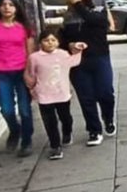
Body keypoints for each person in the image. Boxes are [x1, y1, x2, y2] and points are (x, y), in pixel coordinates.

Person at [62, 0, 117, 145]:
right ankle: (94, 130)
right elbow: (62, 39)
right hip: (78, 61)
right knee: (86, 97)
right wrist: (70, 44)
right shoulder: (68, 17)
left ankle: (108, 118)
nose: (69, 2)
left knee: (105, 92)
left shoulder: (98, 12)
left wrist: (78, 3)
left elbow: (94, 21)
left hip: (100, 58)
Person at [0, 0, 36, 156]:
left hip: (21, 71)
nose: (7, 7)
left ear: (16, 8)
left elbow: (30, 51)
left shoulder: (24, 27)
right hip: (1, 72)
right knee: (6, 109)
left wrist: (30, 72)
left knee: (25, 109)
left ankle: (27, 141)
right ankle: (15, 130)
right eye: (3, 4)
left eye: (10, 4)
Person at [25, 28, 86, 161]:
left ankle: (67, 132)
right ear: (40, 42)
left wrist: (78, 49)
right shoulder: (34, 57)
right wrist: (31, 87)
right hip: (44, 94)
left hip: (62, 93)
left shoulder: (63, 54)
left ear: (58, 42)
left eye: (53, 40)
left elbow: (74, 61)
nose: (50, 43)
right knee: (49, 121)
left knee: (66, 117)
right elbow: (30, 74)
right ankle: (55, 146)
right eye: (46, 40)